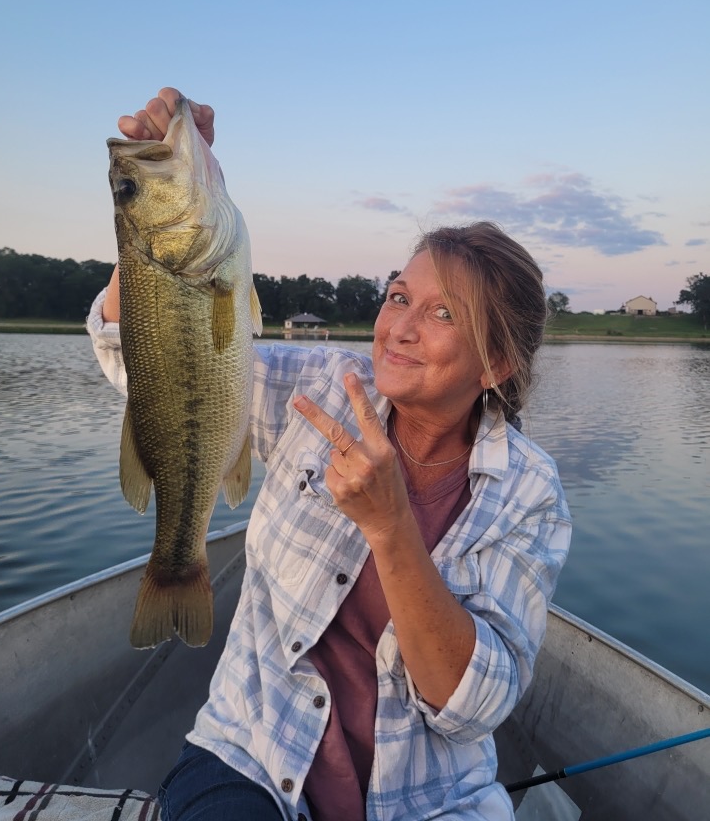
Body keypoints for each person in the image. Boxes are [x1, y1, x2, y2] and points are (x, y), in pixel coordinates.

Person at [87, 88, 572, 821]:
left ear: (497, 365)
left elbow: (472, 707)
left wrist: (391, 527)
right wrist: (148, 203)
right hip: (252, 754)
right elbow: (137, 357)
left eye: (443, 314)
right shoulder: (321, 388)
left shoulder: (529, 492)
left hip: (428, 801)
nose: (400, 327)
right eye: (398, 295)